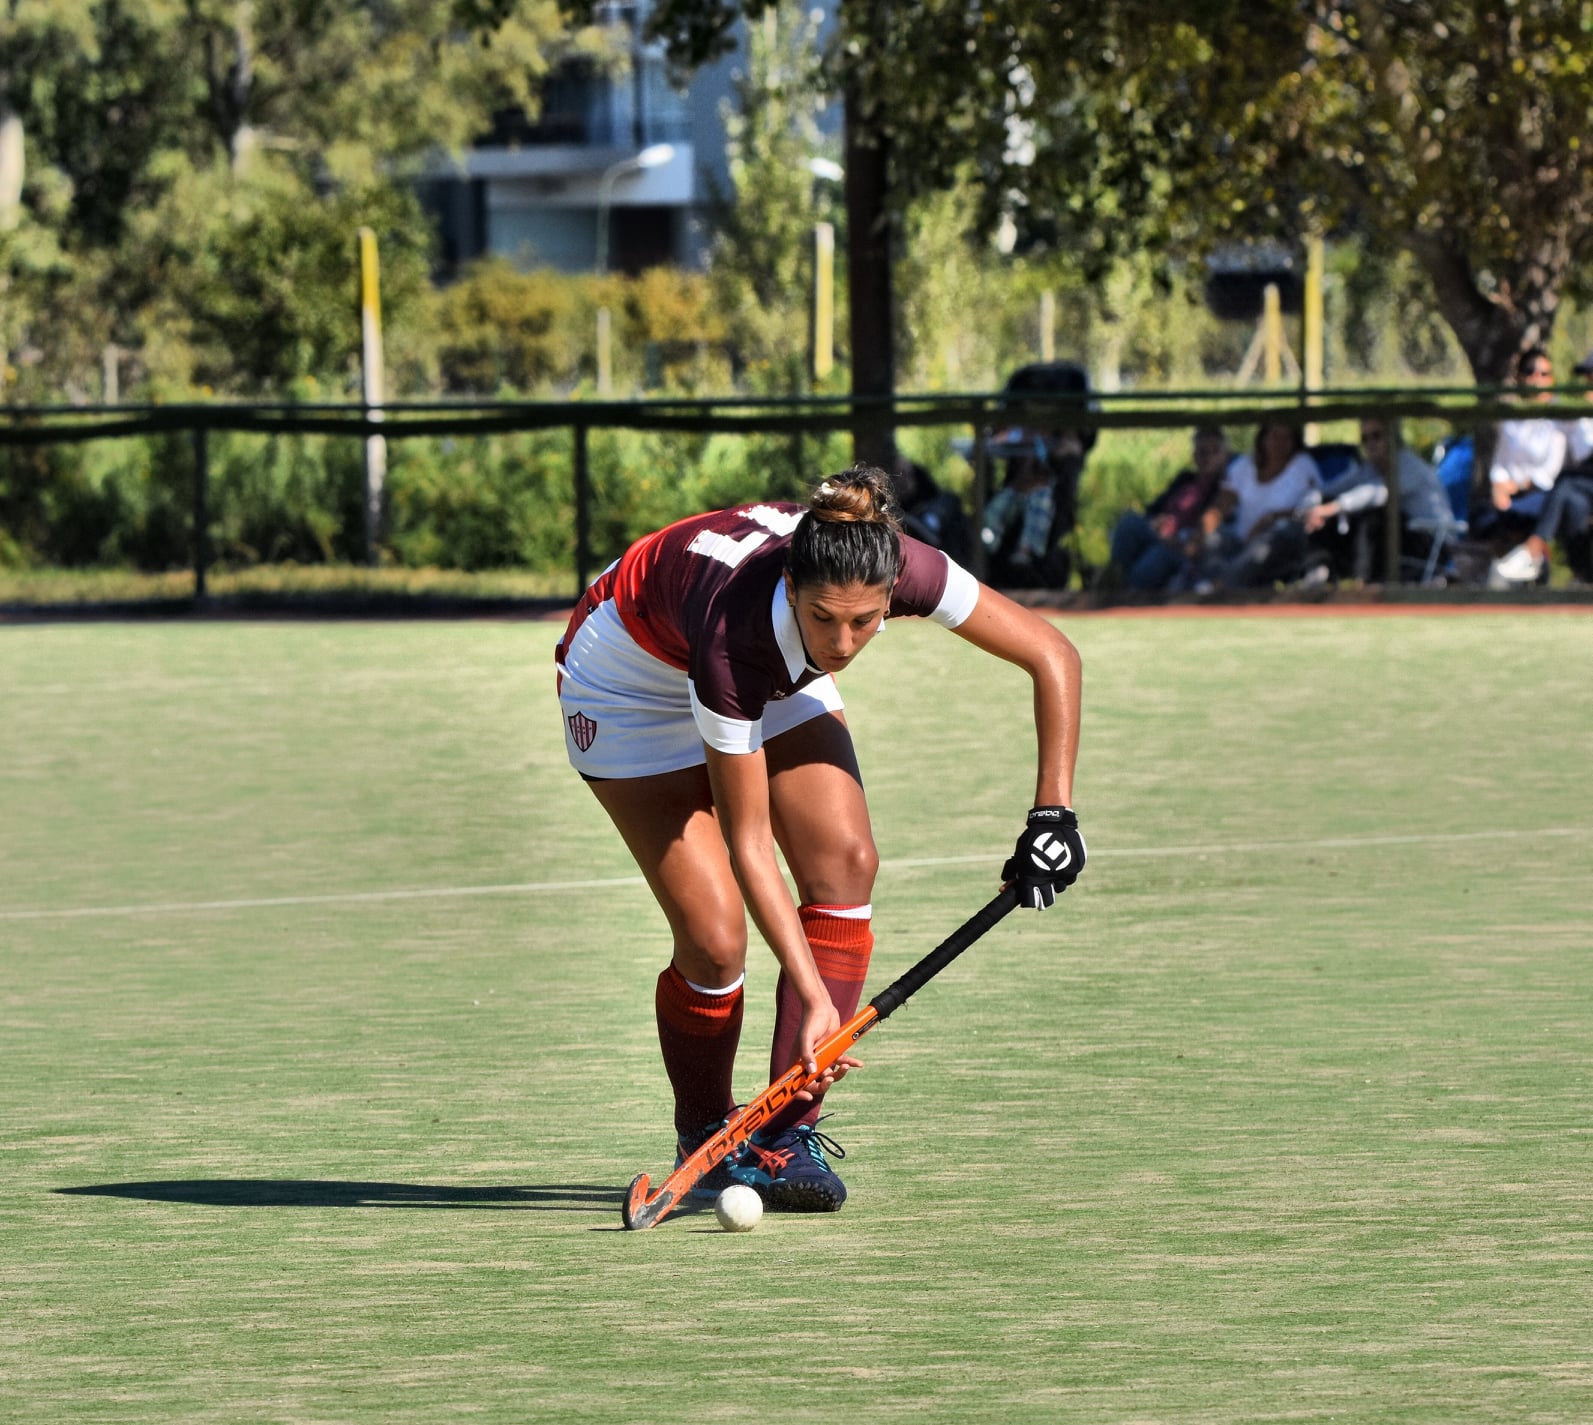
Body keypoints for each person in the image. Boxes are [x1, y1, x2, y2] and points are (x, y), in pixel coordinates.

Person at [553, 465, 1085, 1214]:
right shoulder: (737, 635)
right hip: (627, 676)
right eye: (825, 618)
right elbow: (749, 843)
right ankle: (705, 1128)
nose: (842, 643)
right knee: (714, 939)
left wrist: (1051, 815)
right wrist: (811, 991)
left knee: (845, 861)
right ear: (791, 589)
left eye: (865, 621)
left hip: (765, 665)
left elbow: (1051, 654)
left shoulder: (898, 568)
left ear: (890, 592)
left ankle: (781, 1132)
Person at [1302, 418, 1456, 580]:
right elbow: (1334, 488)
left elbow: (1376, 494)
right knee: (1337, 508)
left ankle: (1362, 583)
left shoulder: (1410, 466)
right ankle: (1318, 569)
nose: (1371, 443)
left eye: (1377, 436)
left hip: (1432, 542)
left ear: (1393, 437)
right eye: (1365, 439)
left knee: (1373, 517)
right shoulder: (1371, 467)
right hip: (1400, 543)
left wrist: (1331, 508)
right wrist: (1311, 506)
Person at [1490, 347, 1593, 585]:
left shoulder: (1564, 414)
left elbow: (1559, 467)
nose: (1588, 382)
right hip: (1574, 491)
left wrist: (1518, 485)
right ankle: (1584, 578)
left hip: (1546, 491)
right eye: (1587, 376)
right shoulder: (1578, 414)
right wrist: (1500, 487)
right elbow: (1583, 453)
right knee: (1572, 503)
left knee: (1565, 486)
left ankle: (1532, 552)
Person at [1180, 419, 1321, 591]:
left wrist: (1269, 520)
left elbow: (1314, 508)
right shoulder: (1245, 465)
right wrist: (1199, 535)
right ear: (1262, 438)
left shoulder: (1303, 465)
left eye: (1286, 438)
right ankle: (1204, 586)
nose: (1279, 444)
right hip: (1242, 540)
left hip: (1282, 543)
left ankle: (1220, 588)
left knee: (1267, 544)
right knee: (1207, 539)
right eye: (1275, 436)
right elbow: (1220, 507)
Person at [1106, 427, 1230, 591]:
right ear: (1194, 456)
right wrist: (1156, 522)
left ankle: (1123, 592)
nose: (1208, 458)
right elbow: (1154, 509)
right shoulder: (1185, 479)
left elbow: (1209, 527)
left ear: (1225, 455)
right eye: (1202, 452)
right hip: (1157, 534)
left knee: (1153, 560)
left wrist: (1180, 538)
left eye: (1214, 452)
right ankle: (1114, 578)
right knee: (1128, 523)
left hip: (1182, 545)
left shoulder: (1226, 489)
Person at [890, 454, 972, 565]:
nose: (903, 481)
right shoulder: (895, 509)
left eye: (906, 475)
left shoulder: (936, 502)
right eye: (899, 477)